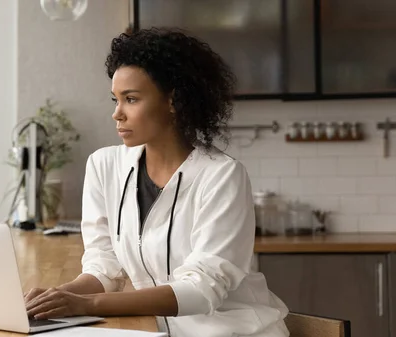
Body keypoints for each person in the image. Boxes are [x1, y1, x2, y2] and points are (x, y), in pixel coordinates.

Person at [25, 28, 289, 337]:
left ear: (174, 101)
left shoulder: (221, 176)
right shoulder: (104, 166)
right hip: (158, 331)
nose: (117, 114)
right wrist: (53, 300)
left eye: (131, 99)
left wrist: (88, 304)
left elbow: (203, 289)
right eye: (116, 99)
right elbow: (104, 266)